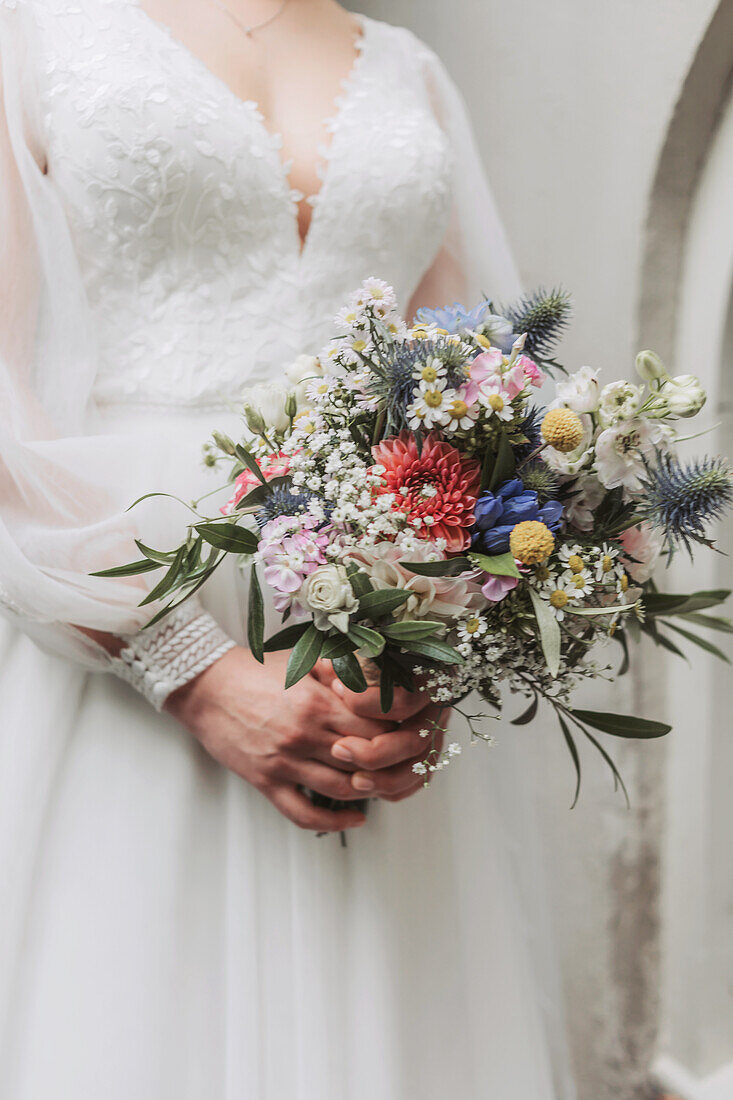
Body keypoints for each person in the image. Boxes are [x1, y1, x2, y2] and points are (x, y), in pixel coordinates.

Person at [0, 0, 573, 1095]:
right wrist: (193, 674)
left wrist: (438, 638)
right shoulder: (30, 33)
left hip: (363, 651)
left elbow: (471, 401)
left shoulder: (410, 73)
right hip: (107, 617)